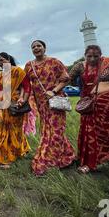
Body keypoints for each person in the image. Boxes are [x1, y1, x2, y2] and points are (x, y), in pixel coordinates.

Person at [68, 45, 109, 174]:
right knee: (92, 133)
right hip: (90, 104)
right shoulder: (79, 66)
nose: (92, 59)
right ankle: (92, 162)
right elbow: (67, 78)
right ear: (85, 55)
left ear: (100, 55)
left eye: (95, 56)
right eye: (89, 56)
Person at [25, 40, 76, 176]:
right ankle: (67, 156)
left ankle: (47, 159)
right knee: (47, 129)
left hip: (55, 101)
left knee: (55, 129)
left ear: (44, 48)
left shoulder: (54, 62)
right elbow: (27, 84)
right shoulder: (29, 66)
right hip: (41, 103)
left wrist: (53, 91)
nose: (36, 48)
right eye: (33, 47)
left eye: (39, 46)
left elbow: (65, 78)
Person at [0, 52, 31, 169]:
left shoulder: (18, 71)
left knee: (13, 129)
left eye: (2, 60)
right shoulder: (2, 74)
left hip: (16, 105)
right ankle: (19, 150)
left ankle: (7, 158)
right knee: (6, 128)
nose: (0, 62)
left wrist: (23, 99)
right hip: (4, 105)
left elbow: (27, 86)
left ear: (8, 59)